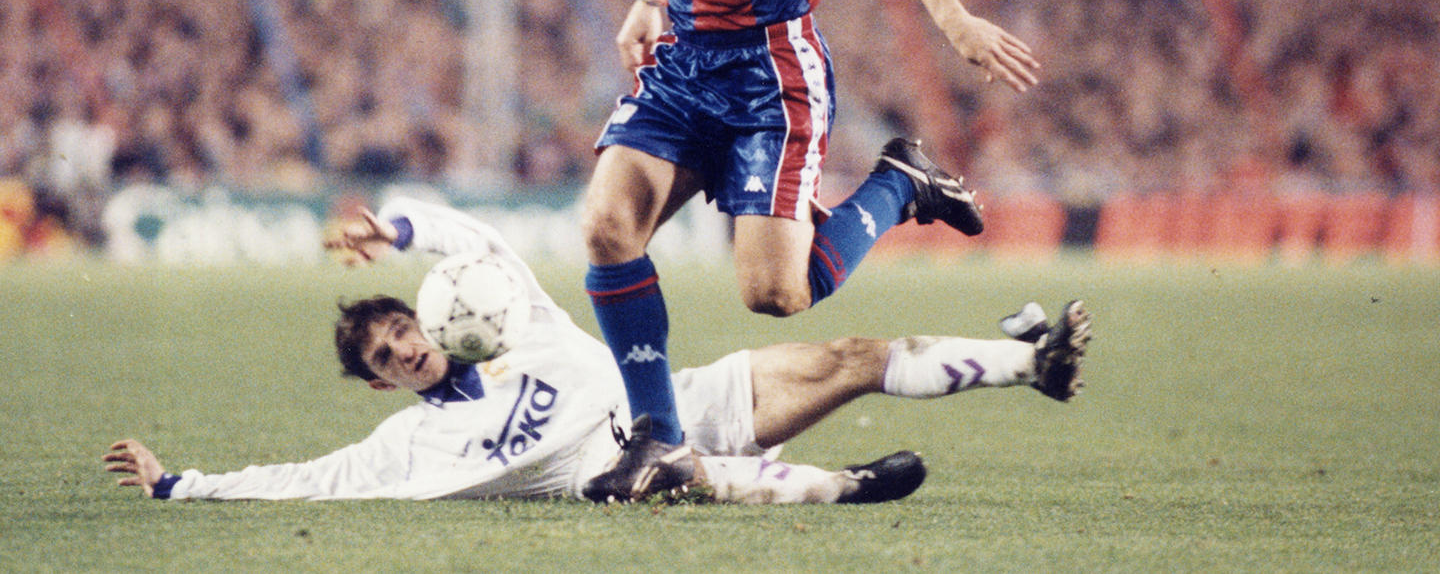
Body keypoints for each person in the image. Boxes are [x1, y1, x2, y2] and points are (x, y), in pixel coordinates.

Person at [580, 0, 1044, 500]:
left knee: (776, 294)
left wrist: (957, 20)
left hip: (770, 77)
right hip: (687, 67)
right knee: (609, 224)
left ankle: (901, 182)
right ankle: (657, 436)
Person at [103, 198, 1089, 506]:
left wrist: (396, 230)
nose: (402, 350)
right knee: (675, 478)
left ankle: (1029, 365)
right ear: (374, 383)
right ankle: (847, 486)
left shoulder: (507, 311)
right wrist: (178, 485)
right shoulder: (406, 453)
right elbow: (303, 480)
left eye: (399, 328)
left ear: (425, 320)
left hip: (677, 398)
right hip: (615, 468)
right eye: (383, 355)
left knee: (850, 353)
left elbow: (471, 238)